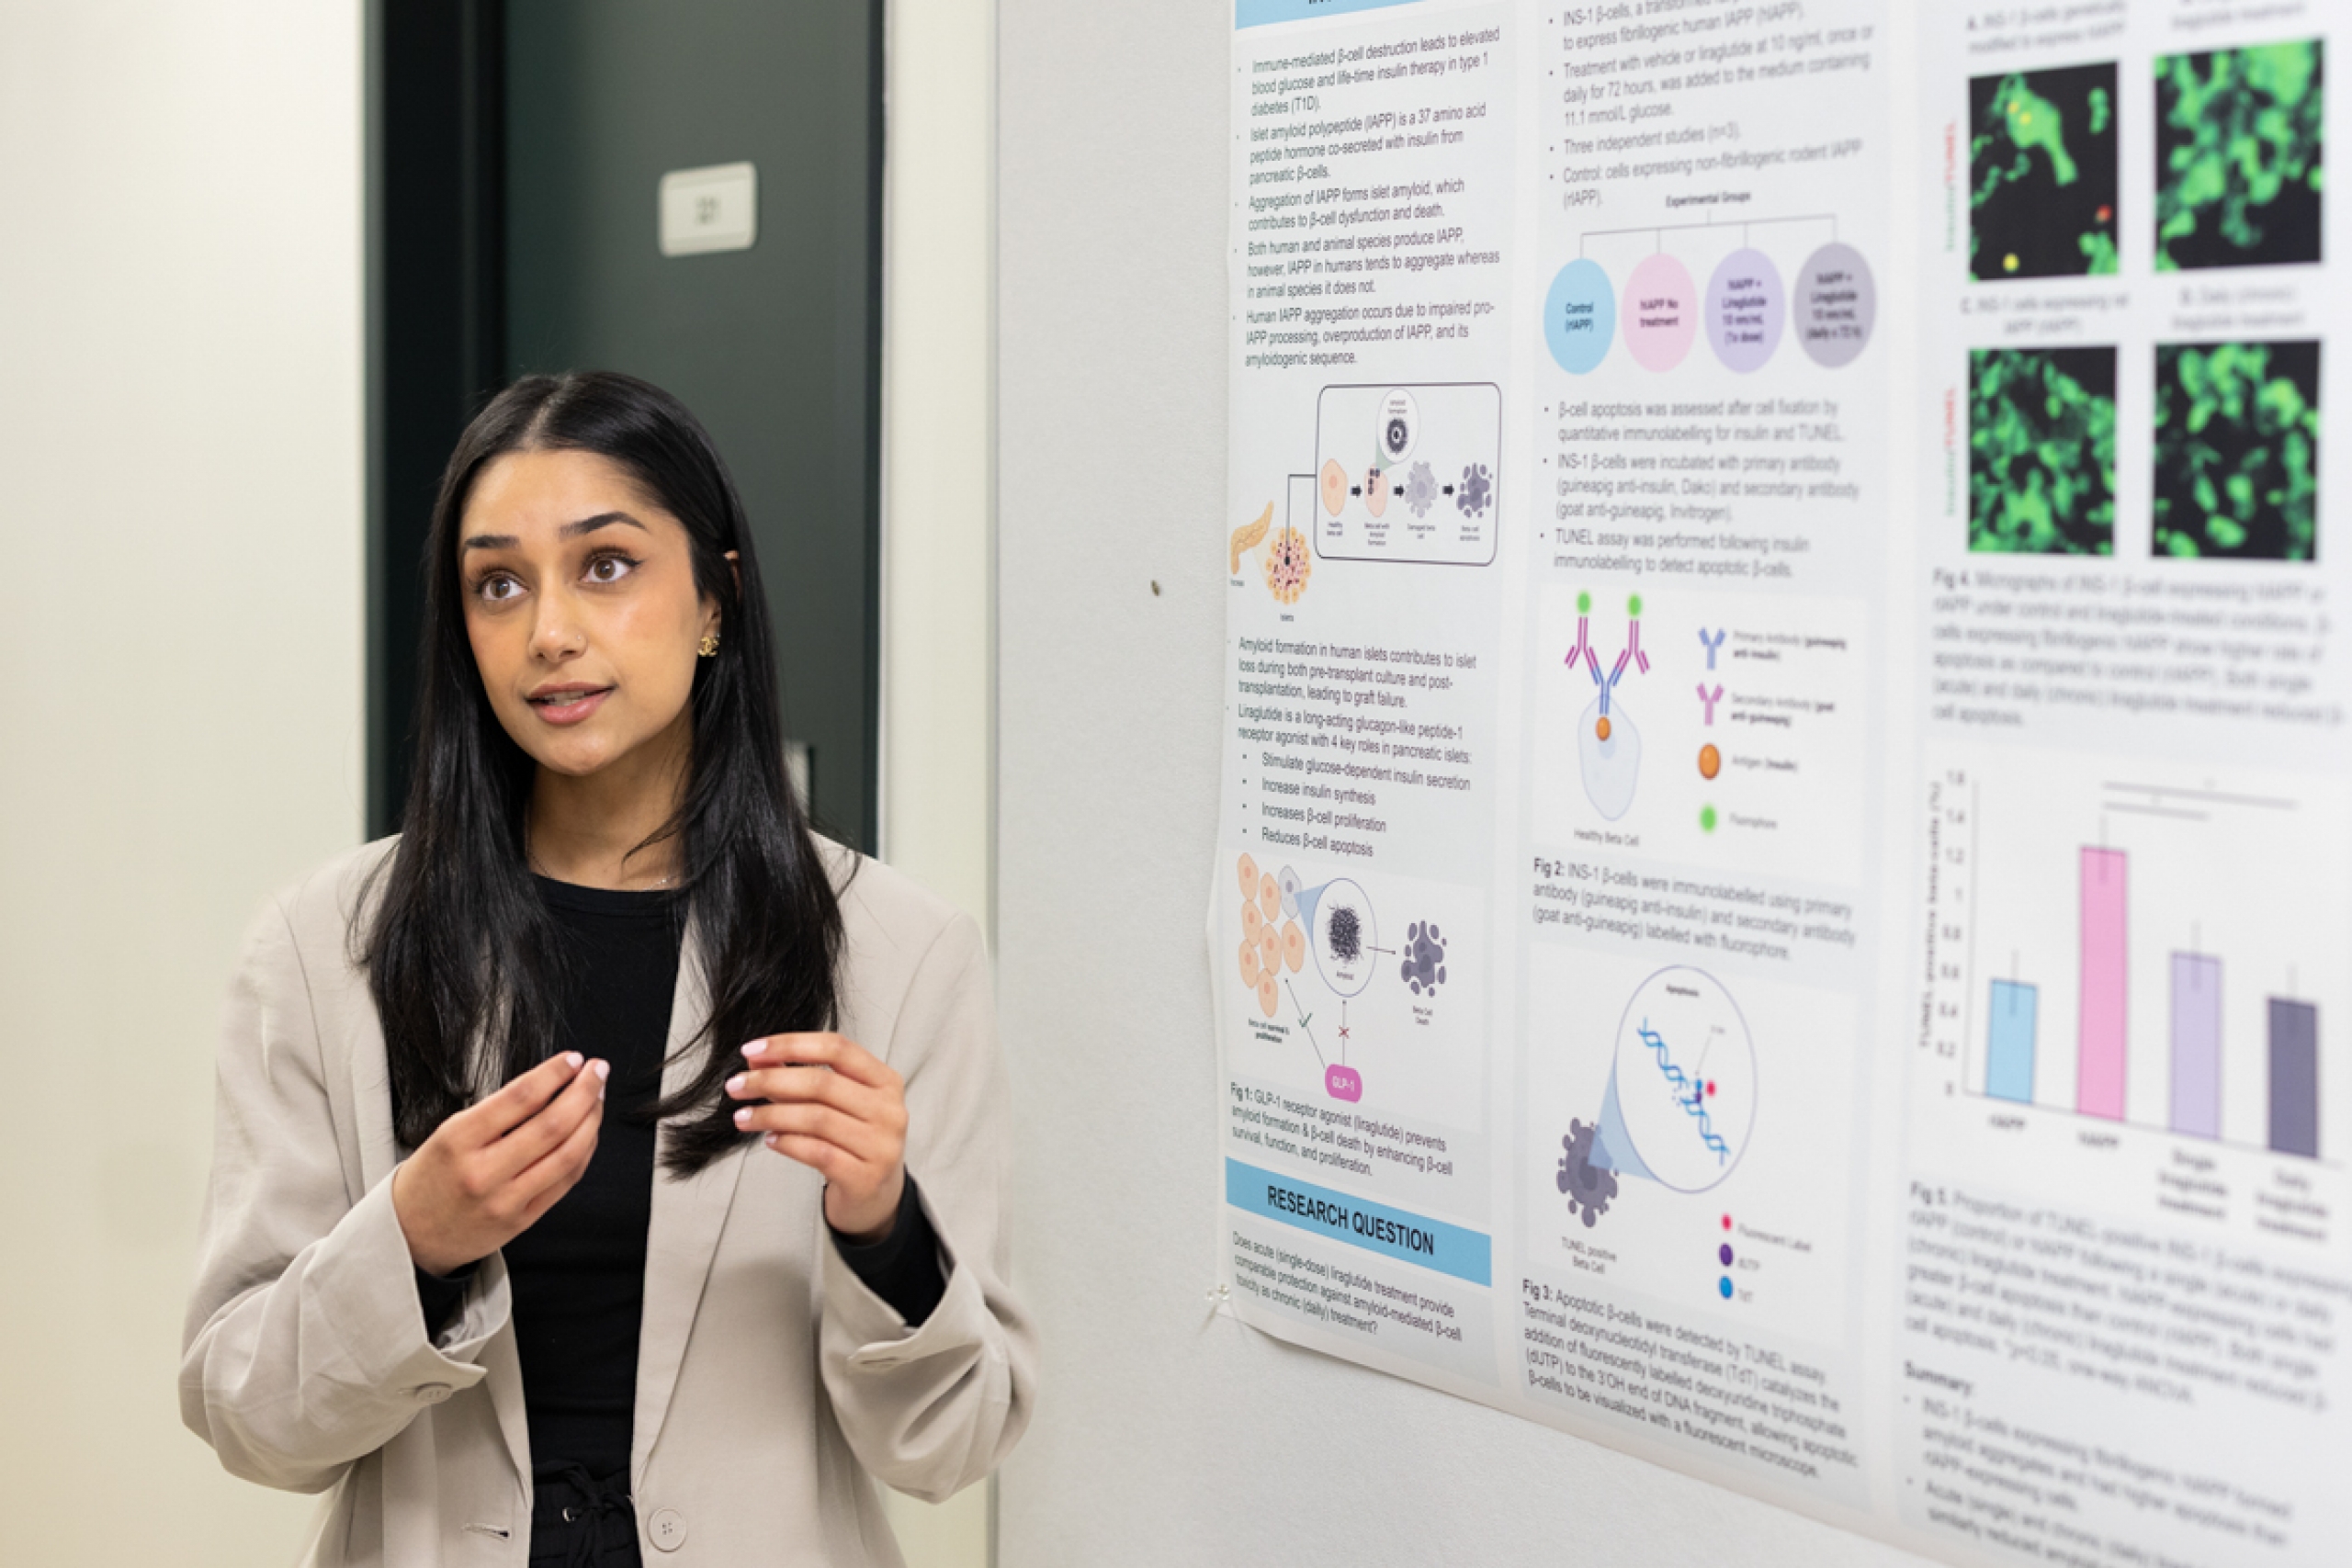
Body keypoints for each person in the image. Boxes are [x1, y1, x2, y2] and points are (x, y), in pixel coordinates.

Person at [181, 371, 1035, 1565]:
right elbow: (252, 1422)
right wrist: (410, 1246)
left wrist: (884, 1227)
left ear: (714, 602)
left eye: (607, 565)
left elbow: (947, 1450)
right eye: (498, 584)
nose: (550, 633)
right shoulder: (326, 948)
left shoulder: (897, 952)